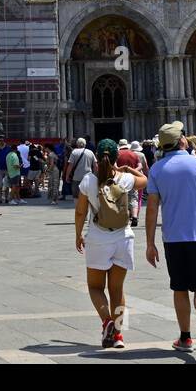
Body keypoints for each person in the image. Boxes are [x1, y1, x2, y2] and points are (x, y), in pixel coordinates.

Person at [144, 121, 196, 356]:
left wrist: (150, 244)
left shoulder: (157, 169)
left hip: (172, 239)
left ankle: (185, 338)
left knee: (179, 288)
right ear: (182, 141)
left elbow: (151, 210)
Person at [76, 138, 148, 349]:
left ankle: (106, 321)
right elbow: (144, 180)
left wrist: (78, 234)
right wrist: (126, 168)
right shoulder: (125, 179)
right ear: (116, 157)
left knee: (95, 286)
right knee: (117, 289)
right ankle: (117, 336)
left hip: (98, 239)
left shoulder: (89, 181)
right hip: (123, 238)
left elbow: (80, 211)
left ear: (97, 158)